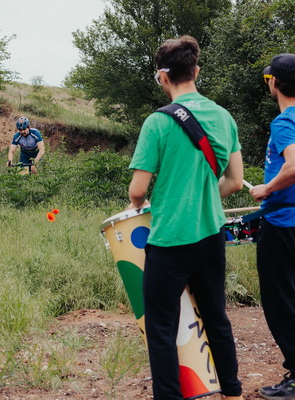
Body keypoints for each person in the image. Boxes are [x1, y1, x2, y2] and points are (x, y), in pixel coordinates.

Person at [127, 35, 244, 400]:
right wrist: (202, 196)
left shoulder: (157, 123)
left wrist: (144, 203)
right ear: (196, 71)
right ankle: (233, 393)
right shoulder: (223, 117)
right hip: (211, 234)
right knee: (216, 318)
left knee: (162, 327)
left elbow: (137, 190)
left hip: (169, 240)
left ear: (162, 77)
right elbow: (235, 181)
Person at [250, 53, 295, 400]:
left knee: (282, 301)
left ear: (275, 83)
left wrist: (266, 188)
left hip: (283, 224)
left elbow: (293, 166)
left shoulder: (284, 122)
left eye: (268, 79)